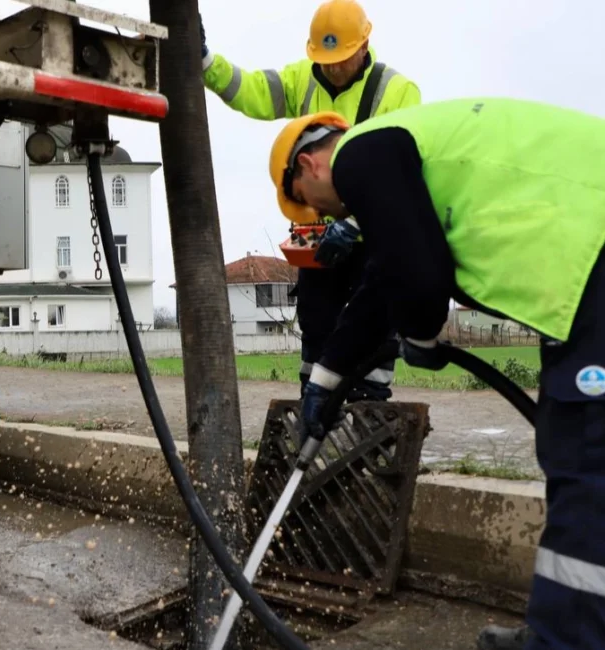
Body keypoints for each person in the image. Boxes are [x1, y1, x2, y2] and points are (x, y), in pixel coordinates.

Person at [268, 97, 605, 650]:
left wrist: (421, 331)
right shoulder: (409, 154)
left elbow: (418, 279)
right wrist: (326, 381)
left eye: (310, 206)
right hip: (578, 270)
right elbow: (385, 279)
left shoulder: (360, 152)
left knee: (588, 457)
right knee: (573, 447)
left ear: (307, 167)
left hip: (593, 258)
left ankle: (564, 638)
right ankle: (566, 622)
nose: (326, 218)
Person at [200, 0, 420, 402]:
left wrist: (354, 223)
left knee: (371, 322)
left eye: (341, 58)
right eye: (326, 59)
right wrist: (206, 61)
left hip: (372, 236)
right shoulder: (302, 79)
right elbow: (250, 90)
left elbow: (400, 175)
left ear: (364, 44)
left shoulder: (398, 92)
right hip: (318, 238)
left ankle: (367, 408)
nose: (333, 68)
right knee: (318, 325)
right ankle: (314, 401)